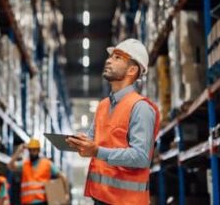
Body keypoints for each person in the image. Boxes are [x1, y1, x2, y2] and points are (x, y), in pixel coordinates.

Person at [66, 38, 160, 205]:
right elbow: (95, 142)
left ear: (132, 70)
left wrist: (96, 151)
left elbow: (141, 156)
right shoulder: (103, 106)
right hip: (100, 197)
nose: (108, 60)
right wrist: (81, 143)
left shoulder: (141, 108)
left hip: (126, 201)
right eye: (110, 57)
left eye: (117, 58)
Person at [7, 138, 69, 205]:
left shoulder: (47, 163)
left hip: (42, 202)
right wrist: (18, 151)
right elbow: (10, 166)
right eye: (30, 150)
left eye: (34, 150)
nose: (32, 152)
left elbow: (63, 177)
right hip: (26, 202)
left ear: (38, 150)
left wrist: (66, 194)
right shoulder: (25, 164)